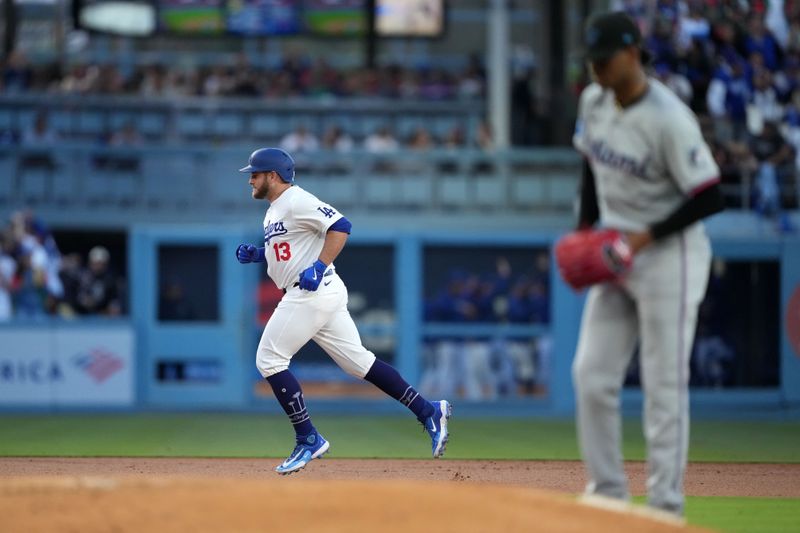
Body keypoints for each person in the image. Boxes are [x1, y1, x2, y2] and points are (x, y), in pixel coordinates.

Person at [571, 12, 724, 519]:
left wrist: (643, 237)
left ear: (633, 53)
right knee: (590, 375)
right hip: (616, 249)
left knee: (663, 384)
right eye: (592, 61)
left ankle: (665, 508)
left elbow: (709, 196)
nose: (597, 70)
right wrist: (586, 230)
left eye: (605, 59)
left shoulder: (669, 117)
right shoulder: (593, 101)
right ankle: (608, 496)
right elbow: (590, 169)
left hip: (669, 254)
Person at [235, 147, 451, 475]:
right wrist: (261, 253)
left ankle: (308, 438)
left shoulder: (295, 199)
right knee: (359, 363)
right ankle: (428, 410)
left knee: (269, 360)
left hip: (311, 292)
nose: (250, 179)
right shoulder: (274, 209)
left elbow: (341, 225)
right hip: (321, 293)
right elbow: (290, 247)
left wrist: (319, 266)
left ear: (274, 176)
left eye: (255, 173)